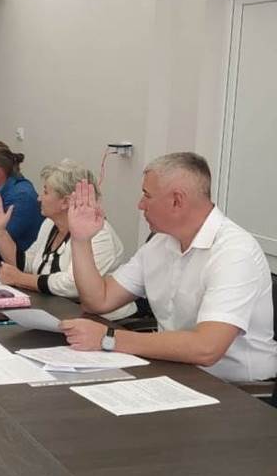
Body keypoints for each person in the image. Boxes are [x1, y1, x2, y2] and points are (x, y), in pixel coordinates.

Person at [61, 152, 277, 383]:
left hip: (239, 390)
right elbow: (98, 300)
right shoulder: (160, 243)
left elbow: (207, 349)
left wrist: (109, 338)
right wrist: (81, 239)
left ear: (177, 200)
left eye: (147, 195)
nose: (140, 204)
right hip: (175, 373)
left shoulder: (235, 252)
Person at [0, 159, 135, 319]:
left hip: (103, 320)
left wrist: (21, 279)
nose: (39, 198)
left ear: (65, 202)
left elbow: (72, 285)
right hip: (57, 311)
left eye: (45, 192)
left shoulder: (99, 234)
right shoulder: (50, 224)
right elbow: (27, 265)